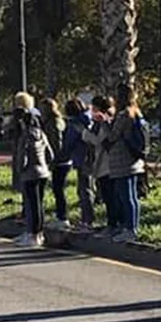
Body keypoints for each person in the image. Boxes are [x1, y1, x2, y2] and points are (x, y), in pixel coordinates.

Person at [106, 84, 146, 243]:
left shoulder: (123, 115)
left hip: (122, 160)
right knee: (132, 196)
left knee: (126, 195)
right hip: (134, 159)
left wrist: (105, 123)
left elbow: (112, 136)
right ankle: (133, 226)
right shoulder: (136, 112)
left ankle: (130, 228)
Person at [14, 92, 53, 247]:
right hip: (43, 171)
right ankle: (39, 233)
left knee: (31, 204)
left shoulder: (25, 136)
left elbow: (22, 156)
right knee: (39, 204)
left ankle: (32, 234)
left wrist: (20, 169)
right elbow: (50, 153)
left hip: (29, 173)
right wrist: (46, 165)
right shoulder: (42, 134)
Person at [83, 96, 118, 237]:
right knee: (108, 195)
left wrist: (85, 134)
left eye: (93, 107)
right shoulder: (101, 121)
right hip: (103, 162)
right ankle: (112, 223)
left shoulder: (105, 121)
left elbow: (99, 140)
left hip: (106, 164)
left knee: (110, 196)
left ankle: (113, 224)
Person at [61, 98, 95, 231]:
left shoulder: (75, 124)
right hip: (89, 158)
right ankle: (87, 218)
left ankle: (87, 220)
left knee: (84, 190)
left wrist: (61, 156)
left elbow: (69, 143)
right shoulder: (88, 120)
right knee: (87, 188)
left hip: (82, 159)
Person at [40, 98, 69, 229]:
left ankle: (62, 217)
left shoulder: (53, 123)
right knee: (57, 189)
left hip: (60, 161)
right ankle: (60, 215)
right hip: (61, 160)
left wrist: (53, 160)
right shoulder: (54, 121)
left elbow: (56, 143)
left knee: (58, 189)